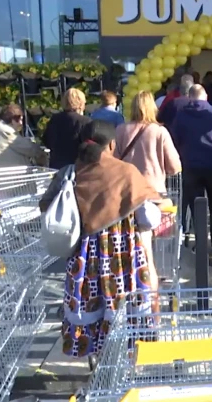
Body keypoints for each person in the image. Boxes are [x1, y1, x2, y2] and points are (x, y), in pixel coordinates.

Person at [39, 120, 167, 361]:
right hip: (122, 254)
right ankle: (127, 361)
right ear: (111, 145)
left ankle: (97, 360)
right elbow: (148, 217)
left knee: (91, 310)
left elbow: (46, 206)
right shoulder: (126, 172)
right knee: (125, 308)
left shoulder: (70, 173)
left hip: (84, 257)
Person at [173, 84, 212, 259]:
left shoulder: (181, 116)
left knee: (196, 206)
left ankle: (200, 245)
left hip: (191, 166)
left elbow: (174, 139)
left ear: (190, 97)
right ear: (206, 96)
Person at [115, 91, 182, 194]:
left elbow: (114, 161)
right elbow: (174, 167)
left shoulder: (120, 130)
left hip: (128, 190)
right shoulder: (160, 131)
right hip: (153, 190)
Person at [0, 104, 47, 169]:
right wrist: (40, 151)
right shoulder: (5, 130)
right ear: (11, 119)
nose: (21, 123)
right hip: (5, 176)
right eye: (19, 119)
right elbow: (28, 148)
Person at [42, 88, 91, 170]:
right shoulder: (85, 121)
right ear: (81, 104)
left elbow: (46, 141)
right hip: (77, 167)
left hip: (57, 166)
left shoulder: (54, 119)